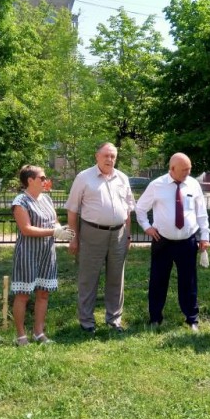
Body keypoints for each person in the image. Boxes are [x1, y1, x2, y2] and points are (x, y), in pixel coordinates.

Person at [135, 153, 210, 331]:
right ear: (172, 168)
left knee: (189, 281)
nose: (187, 172)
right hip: (163, 241)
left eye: (189, 169)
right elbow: (140, 208)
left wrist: (205, 236)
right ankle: (155, 318)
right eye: (184, 169)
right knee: (158, 280)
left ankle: (192, 319)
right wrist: (147, 227)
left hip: (187, 241)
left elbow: (201, 212)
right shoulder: (157, 185)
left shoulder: (193, 184)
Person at [66, 142, 136, 334]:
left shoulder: (122, 178)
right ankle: (86, 321)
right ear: (97, 156)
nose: (110, 159)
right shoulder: (84, 177)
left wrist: (128, 234)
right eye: (106, 155)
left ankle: (114, 319)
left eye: (113, 156)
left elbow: (128, 210)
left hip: (119, 234)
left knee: (116, 278)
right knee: (88, 278)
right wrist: (74, 237)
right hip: (92, 233)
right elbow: (72, 210)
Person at [11, 165, 74, 346]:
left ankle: (39, 333)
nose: (45, 181)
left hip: (47, 252)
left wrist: (59, 229)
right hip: (28, 252)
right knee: (23, 294)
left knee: (43, 293)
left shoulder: (46, 199)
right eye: (42, 178)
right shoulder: (21, 201)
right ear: (30, 180)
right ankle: (21, 336)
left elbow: (54, 221)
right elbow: (26, 229)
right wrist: (53, 233)